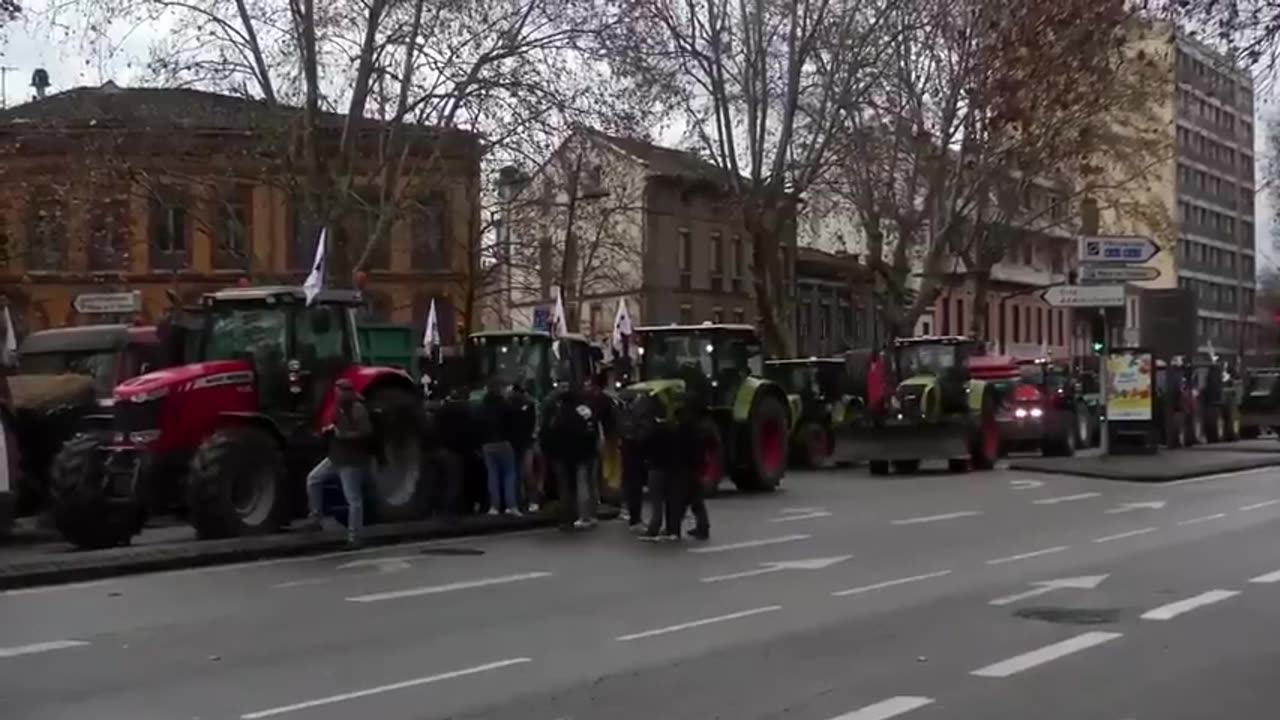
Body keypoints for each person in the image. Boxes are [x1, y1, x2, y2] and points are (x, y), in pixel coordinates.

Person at [301, 379, 374, 547]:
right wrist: (330, 430)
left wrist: (343, 435)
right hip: (336, 457)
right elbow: (337, 426)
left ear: (345, 391)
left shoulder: (357, 408)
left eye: (338, 391)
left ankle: (355, 537)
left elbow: (367, 432)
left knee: (353, 499)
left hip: (352, 460)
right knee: (313, 479)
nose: (336, 394)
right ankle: (315, 517)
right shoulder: (340, 407)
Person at [540, 379, 600, 530]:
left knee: (567, 487)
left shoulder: (561, 413)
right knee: (586, 484)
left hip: (564, 454)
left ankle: (570, 517)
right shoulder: (585, 410)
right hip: (586, 452)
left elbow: (551, 433)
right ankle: (589, 515)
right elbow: (593, 429)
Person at [479, 377, 520, 516]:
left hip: (487, 444)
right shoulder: (505, 405)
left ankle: (494, 507)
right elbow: (513, 424)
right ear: (500, 389)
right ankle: (511, 505)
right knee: (509, 474)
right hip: (503, 441)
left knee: (493, 475)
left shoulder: (482, 406)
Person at [508, 382, 539, 512]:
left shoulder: (510, 405)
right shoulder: (529, 404)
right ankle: (530, 500)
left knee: (518, 473)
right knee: (526, 473)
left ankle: (521, 501)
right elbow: (533, 424)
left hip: (517, 442)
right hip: (525, 442)